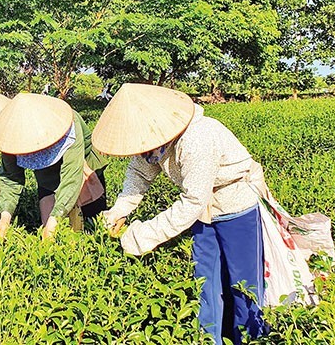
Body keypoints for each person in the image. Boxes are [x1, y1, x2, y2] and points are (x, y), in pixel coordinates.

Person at [92, 83, 270, 345]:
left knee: (244, 285)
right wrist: (119, 211)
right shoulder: (153, 140)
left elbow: (193, 201)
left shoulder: (197, 138)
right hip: (203, 215)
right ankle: (208, 339)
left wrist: (142, 235)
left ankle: (250, 339)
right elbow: (139, 174)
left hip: (235, 209)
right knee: (204, 283)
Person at [0, 93, 108, 241]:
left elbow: (72, 177)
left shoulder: (68, 121)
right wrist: (5, 217)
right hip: (46, 177)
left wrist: (55, 218)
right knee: (49, 234)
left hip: (82, 170)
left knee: (92, 228)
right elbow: (11, 178)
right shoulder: (11, 136)